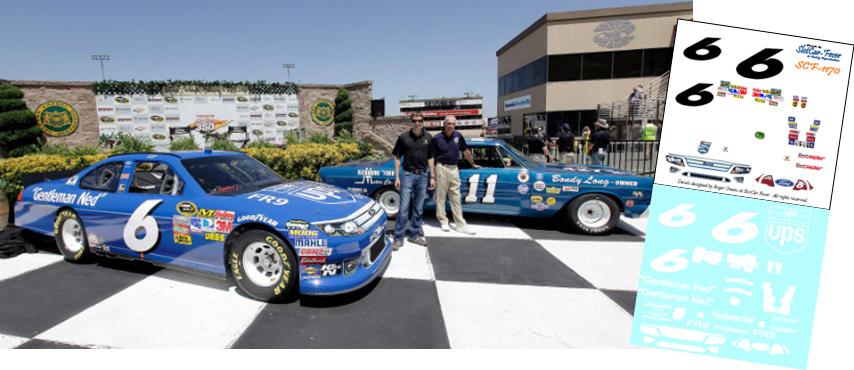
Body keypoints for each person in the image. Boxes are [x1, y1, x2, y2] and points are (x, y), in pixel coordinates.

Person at [391, 112, 434, 250]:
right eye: (414, 121)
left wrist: (432, 176)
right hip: (408, 175)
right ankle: (398, 237)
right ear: (411, 122)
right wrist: (397, 177)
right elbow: (397, 158)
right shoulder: (403, 138)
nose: (417, 123)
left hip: (423, 176)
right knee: (403, 208)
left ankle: (414, 234)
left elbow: (431, 158)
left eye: (420, 120)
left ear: (423, 122)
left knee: (419, 208)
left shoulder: (428, 137)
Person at [429, 115, 478, 235]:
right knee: (441, 197)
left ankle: (460, 224)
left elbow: (465, 151)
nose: (450, 126)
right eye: (448, 123)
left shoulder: (458, 136)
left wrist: (472, 163)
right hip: (441, 167)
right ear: (444, 124)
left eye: (452, 124)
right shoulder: (437, 138)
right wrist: (432, 174)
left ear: (455, 125)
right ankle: (443, 221)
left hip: (454, 168)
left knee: (455, 197)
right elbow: (431, 156)